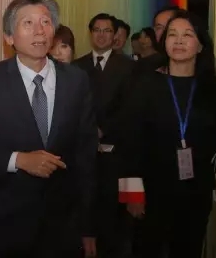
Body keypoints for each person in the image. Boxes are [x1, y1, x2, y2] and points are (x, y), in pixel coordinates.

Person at [0, 0, 99, 258]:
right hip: (8, 226)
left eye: (45, 22)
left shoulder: (77, 80)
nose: (39, 30)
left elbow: (86, 155)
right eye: (28, 23)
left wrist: (88, 225)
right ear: (9, 37)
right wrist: (18, 160)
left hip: (64, 226)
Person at [117, 10, 216, 258]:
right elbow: (129, 139)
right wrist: (132, 192)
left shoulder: (214, 89)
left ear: (200, 45)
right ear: (164, 43)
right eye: (172, 34)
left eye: (188, 35)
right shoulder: (145, 84)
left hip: (196, 191)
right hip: (151, 191)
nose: (179, 41)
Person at [73, 13, 135, 257]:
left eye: (107, 30)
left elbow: (131, 108)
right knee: (84, 207)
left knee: (112, 216)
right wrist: (88, 129)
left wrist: (104, 128)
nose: (101, 35)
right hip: (83, 151)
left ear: (115, 35)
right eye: (97, 30)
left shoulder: (129, 67)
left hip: (116, 152)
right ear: (90, 33)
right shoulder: (76, 67)